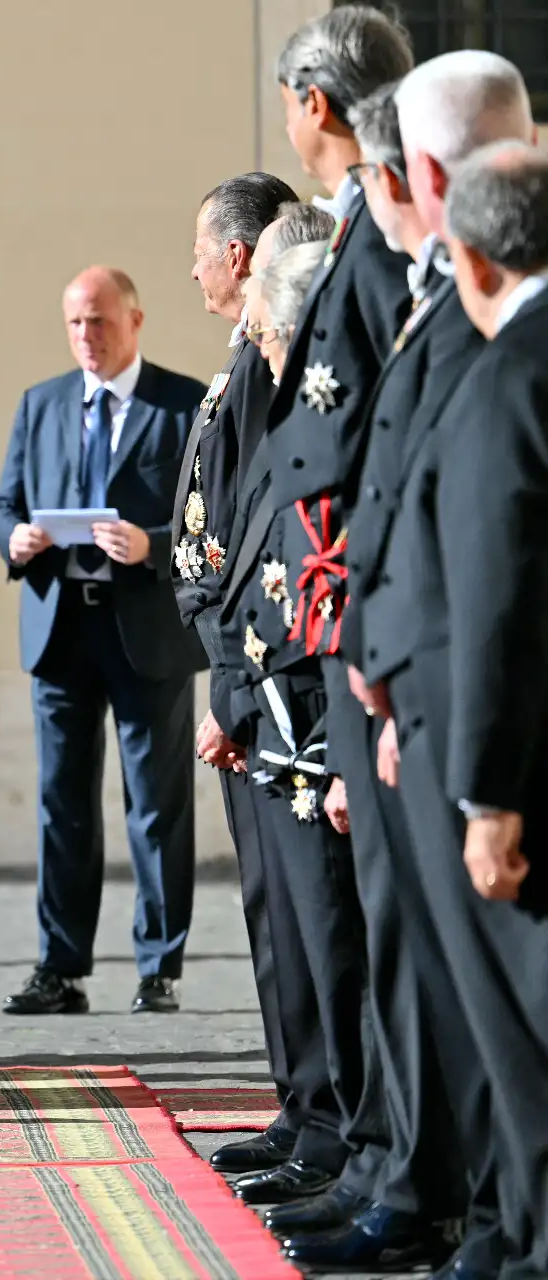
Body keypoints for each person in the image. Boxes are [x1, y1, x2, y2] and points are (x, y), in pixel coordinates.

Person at [275, 59, 533, 1270]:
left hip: (460, 689)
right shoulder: (441, 287)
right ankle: (461, 1196)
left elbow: (487, 538)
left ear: (419, 175)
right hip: (403, 675)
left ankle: (484, 1207)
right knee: (432, 955)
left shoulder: (485, 311)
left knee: (491, 980)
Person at [209, 4, 413, 1212]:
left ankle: (395, 1167)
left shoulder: (362, 248)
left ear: (314, 105)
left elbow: (349, 461)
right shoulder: (353, 238)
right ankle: (371, 1155)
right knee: (346, 929)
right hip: (323, 639)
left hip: (358, 640)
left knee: (372, 937)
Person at [370, 139, 548, 1280]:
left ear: (474, 260)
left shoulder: (502, 380)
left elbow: (496, 600)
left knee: (520, 1034)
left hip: (508, 760)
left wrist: (486, 796)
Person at [0, 266, 207, 1017]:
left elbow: (213, 519)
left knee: (157, 804)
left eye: (101, 321)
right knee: (63, 804)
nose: (88, 336)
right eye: (76, 323)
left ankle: (159, 967)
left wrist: (152, 544)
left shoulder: (183, 406)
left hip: (145, 632)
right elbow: (5, 505)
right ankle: (61, 968)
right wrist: (14, 538)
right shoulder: (41, 403)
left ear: (135, 321)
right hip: (61, 630)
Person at [171, 173, 307, 1180]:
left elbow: (263, 543)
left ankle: (326, 1116)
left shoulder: (270, 366)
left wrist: (230, 684)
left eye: (199, 251)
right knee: (274, 908)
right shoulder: (240, 360)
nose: (192, 270)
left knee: (303, 913)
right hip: (236, 666)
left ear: (238, 255)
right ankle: (306, 1106)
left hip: (263, 680)